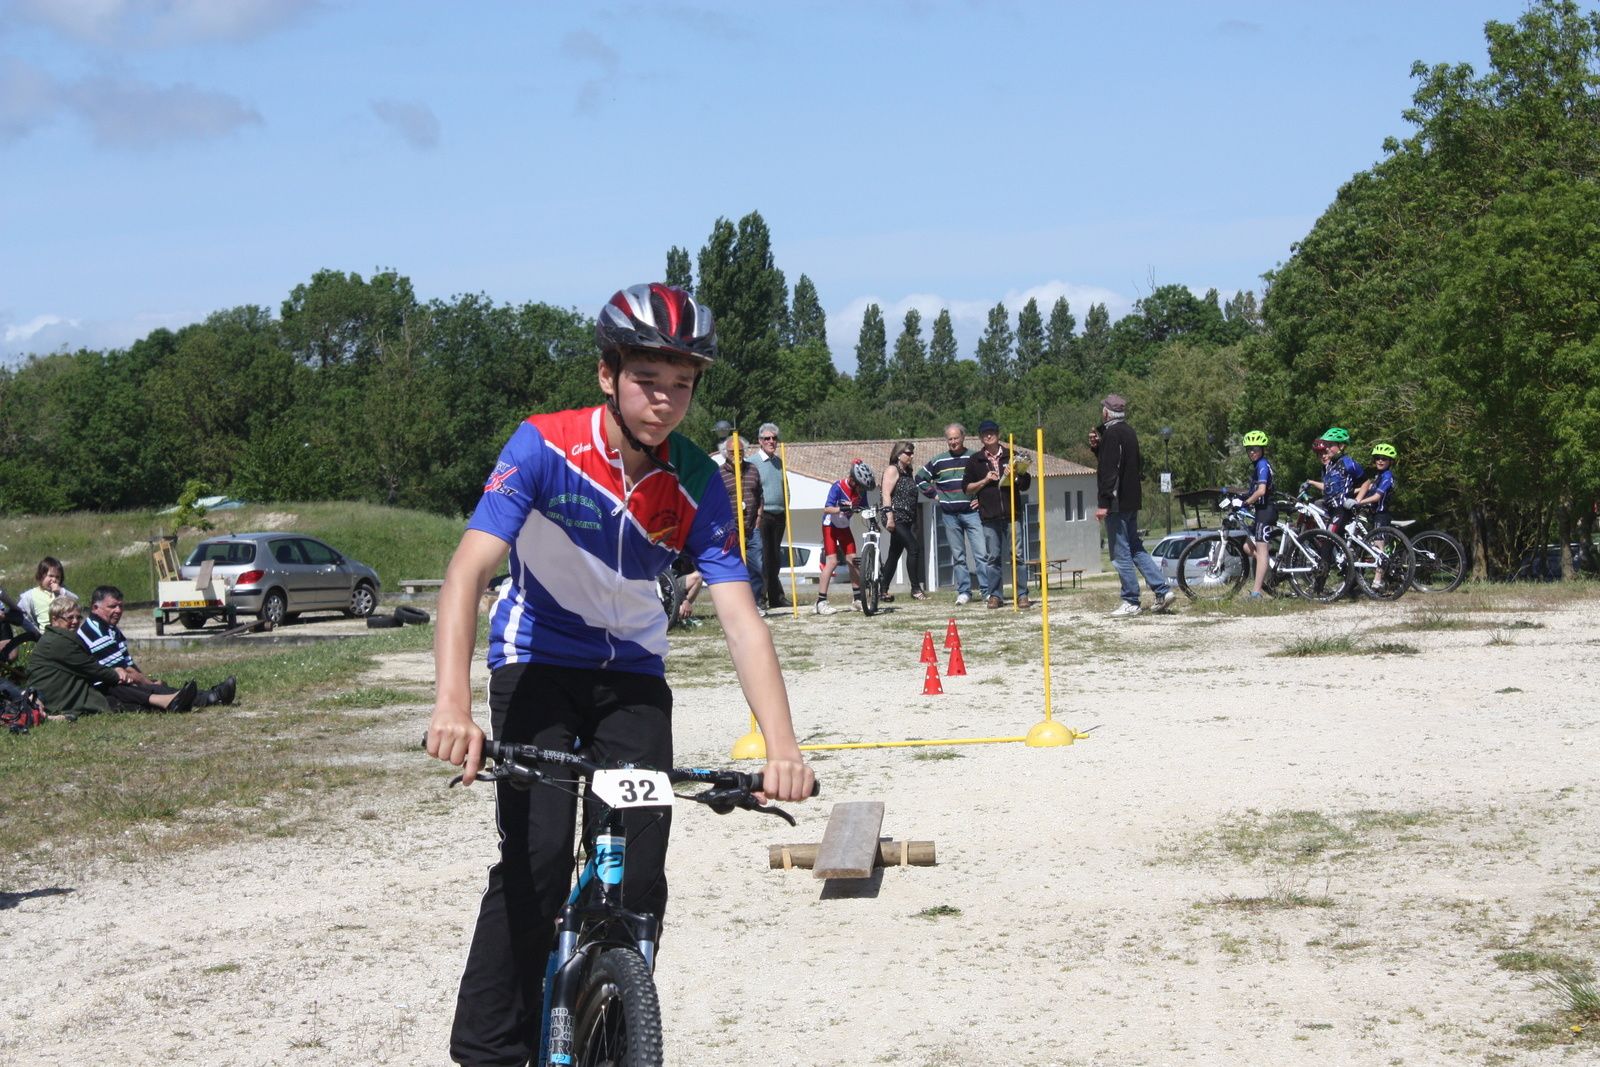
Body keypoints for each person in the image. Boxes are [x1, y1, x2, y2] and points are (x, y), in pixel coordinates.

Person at [423, 282, 813, 1067]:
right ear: (608, 374)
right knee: (536, 859)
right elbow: (466, 573)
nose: (664, 401)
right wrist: (453, 705)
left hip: (631, 675)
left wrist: (783, 746)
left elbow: (742, 619)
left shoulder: (698, 481)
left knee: (640, 873)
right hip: (536, 662)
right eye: (646, 380)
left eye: (682, 385)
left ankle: (613, 1020)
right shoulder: (542, 446)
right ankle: (489, 1052)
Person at [27, 596, 199, 718]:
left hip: (66, 693)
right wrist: (117, 674)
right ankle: (172, 700)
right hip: (61, 699)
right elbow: (92, 669)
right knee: (115, 691)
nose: (75, 621)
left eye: (78, 617)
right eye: (69, 618)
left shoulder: (57, 638)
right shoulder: (59, 642)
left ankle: (172, 700)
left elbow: (89, 666)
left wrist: (116, 672)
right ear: (54, 619)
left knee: (116, 690)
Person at [77, 585, 236, 708]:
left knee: (156, 686)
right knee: (151, 687)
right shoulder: (95, 632)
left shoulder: (109, 628)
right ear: (95, 608)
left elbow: (128, 664)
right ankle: (211, 697)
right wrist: (147, 682)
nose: (118, 610)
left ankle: (209, 696)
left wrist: (146, 680)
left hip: (117, 681)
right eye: (112, 606)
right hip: (105, 689)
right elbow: (121, 670)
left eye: (120, 606)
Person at [1096, 394, 1178, 617]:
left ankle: (1130, 600)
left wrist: (1104, 502)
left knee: (1120, 553)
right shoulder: (1129, 432)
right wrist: (1097, 448)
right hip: (1132, 499)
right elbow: (1124, 464)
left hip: (1117, 502)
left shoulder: (1112, 434)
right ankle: (1162, 590)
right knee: (1135, 548)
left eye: (1102, 409)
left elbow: (1110, 470)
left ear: (1106, 412)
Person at [963, 418, 1034, 609]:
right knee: (993, 558)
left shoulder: (1012, 455)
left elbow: (1025, 484)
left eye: (992, 432)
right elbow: (967, 488)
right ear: (980, 438)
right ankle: (995, 595)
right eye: (985, 433)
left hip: (1012, 514)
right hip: (989, 516)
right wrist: (985, 480)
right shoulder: (975, 461)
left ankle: (1022, 595)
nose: (989, 436)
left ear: (998, 435)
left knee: (1017, 556)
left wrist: (1016, 476)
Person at [915, 423, 984, 605]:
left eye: (956, 438)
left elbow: (986, 480)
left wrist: (982, 499)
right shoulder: (939, 461)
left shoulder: (975, 457)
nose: (953, 442)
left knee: (981, 554)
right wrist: (934, 495)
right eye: (950, 439)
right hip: (950, 515)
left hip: (972, 513)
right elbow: (920, 478)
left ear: (963, 437)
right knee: (958, 557)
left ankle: (987, 592)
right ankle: (964, 592)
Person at [710, 421, 766, 613]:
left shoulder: (753, 470)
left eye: (741, 451)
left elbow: (760, 495)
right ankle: (738, 606)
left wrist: (758, 517)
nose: (737, 455)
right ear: (725, 454)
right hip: (730, 530)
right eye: (733, 452)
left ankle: (756, 603)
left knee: (757, 566)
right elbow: (714, 502)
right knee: (734, 569)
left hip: (752, 528)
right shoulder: (719, 474)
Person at [815, 459, 873, 615]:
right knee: (832, 562)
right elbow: (827, 508)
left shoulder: (862, 490)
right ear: (853, 480)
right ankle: (821, 601)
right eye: (860, 486)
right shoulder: (838, 486)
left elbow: (864, 508)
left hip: (844, 526)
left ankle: (857, 599)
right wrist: (842, 508)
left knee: (853, 560)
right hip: (830, 525)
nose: (861, 490)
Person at [878, 441, 926, 601]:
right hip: (895, 516)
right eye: (908, 453)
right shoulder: (892, 470)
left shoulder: (908, 472)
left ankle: (882, 590)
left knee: (894, 554)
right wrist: (889, 517)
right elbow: (886, 493)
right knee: (913, 548)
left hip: (906, 518)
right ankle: (915, 589)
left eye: (912, 453)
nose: (911, 456)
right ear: (899, 454)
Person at [753, 422, 791, 609]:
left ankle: (776, 597)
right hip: (762, 515)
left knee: (775, 558)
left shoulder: (778, 462)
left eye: (774, 438)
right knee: (763, 557)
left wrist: (786, 505)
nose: (771, 441)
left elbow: (785, 487)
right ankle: (760, 597)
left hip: (779, 514)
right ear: (760, 441)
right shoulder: (753, 462)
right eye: (767, 438)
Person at [1305, 427, 1365, 532]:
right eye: (1326, 445)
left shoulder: (1348, 463)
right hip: (1332, 508)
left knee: (1329, 539)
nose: (1327, 449)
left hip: (1343, 508)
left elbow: (1366, 482)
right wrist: (1311, 482)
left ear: (1341, 446)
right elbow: (1328, 486)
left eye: (1329, 445)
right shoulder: (1331, 465)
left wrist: (1357, 500)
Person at [1240, 431, 1276, 599]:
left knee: (1261, 552)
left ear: (1262, 449)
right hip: (1260, 511)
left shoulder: (1262, 464)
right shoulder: (1258, 466)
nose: (1252, 452)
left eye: (1255, 448)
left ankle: (1256, 592)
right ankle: (1268, 563)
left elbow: (1261, 491)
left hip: (1266, 510)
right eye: (1249, 449)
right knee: (1247, 547)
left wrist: (1247, 503)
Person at [15, 557, 76, 632]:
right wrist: (33, 629)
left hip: (65, 632)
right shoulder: (31, 595)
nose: (54, 580)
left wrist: (61, 591)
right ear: (41, 576)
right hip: (45, 634)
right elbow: (20, 612)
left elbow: (76, 601)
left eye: (57, 577)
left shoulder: (62, 590)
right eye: (51, 576)